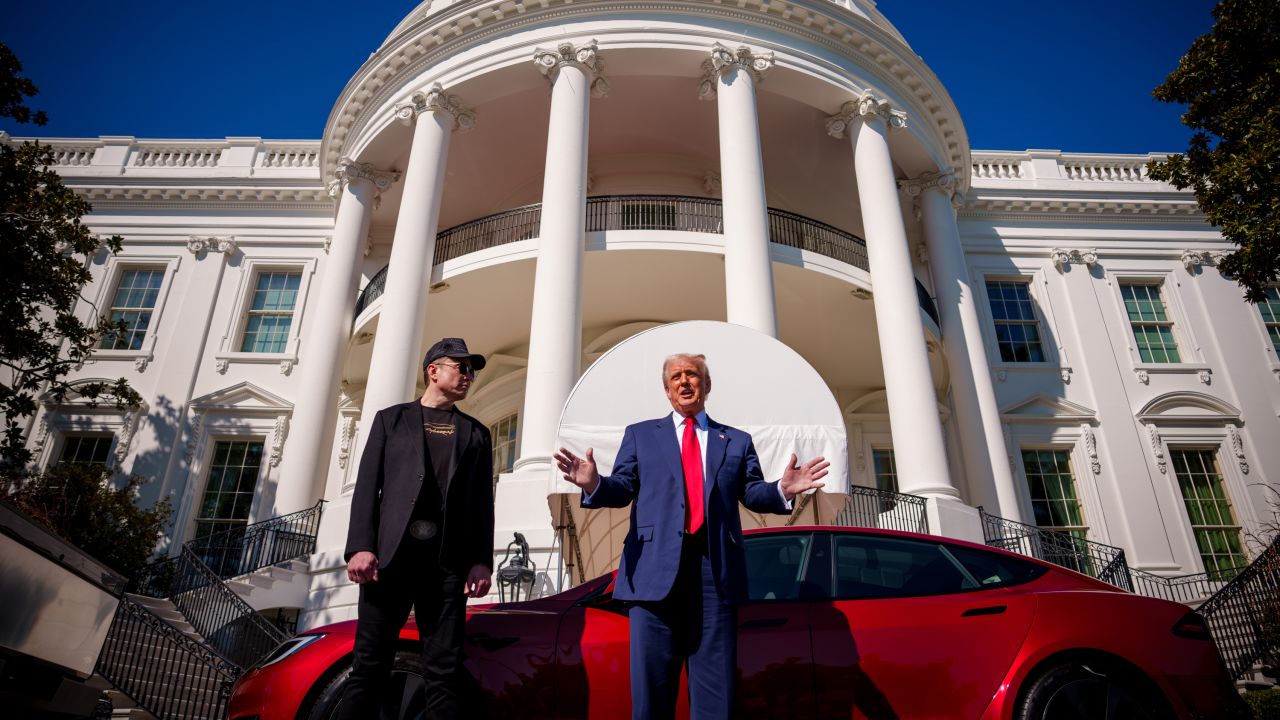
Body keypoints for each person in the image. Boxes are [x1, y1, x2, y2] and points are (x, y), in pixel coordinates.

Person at [554, 353, 828, 720]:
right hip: (653, 578)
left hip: (715, 576)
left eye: (693, 375)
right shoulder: (640, 435)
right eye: (676, 377)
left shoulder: (736, 440)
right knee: (651, 698)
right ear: (667, 390)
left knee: (718, 699)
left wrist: (782, 488)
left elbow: (753, 493)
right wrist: (594, 483)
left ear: (707, 385)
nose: (685, 382)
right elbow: (621, 488)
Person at [338, 337, 495, 719]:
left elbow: (481, 505)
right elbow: (368, 486)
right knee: (368, 667)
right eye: (462, 368)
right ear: (434, 371)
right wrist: (360, 545)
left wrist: (481, 561)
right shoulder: (390, 420)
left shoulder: (476, 433)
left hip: (446, 569)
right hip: (389, 563)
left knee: (444, 672)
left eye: (471, 371)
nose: (469, 377)